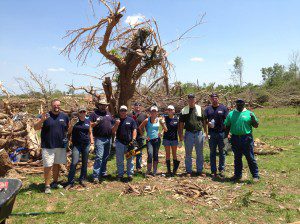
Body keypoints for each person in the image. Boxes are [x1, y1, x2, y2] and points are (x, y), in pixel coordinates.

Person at [34, 99, 69, 194]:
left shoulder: (65, 116)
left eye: (58, 105)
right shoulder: (45, 116)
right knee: (48, 166)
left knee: (57, 164)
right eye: (54, 105)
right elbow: (35, 127)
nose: (56, 107)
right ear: (51, 106)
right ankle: (47, 186)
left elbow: (67, 130)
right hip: (48, 145)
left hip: (60, 145)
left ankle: (55, 182)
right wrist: (42, 120)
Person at [224, 99, 260, 182]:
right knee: (237, 158)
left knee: (250, 157)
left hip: (246, 138)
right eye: (238, 103)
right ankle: (237, 175)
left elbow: (256, 125)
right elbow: (227, 126)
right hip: (235, 138)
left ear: (244, 104)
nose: (240, 105)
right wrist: (226, 138)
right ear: (236, 104)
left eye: (241, 103)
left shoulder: (249, 113)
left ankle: (255, 175)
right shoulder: (231, 114)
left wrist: (253, 119)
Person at [178, 94, 207, 177]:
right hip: (189, 133)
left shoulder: (199, 109)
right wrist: (180, 135)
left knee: (199, 153)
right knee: (188, 153)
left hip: (199, 133)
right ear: (188, 100)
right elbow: (181, 123)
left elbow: (204, 121)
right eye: (190, 99)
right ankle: (189, 171)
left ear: (195, 100)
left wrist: (205, 132)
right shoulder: (184, 110)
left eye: (193, 99)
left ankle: (199, 171)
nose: (191, 100)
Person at [65, 106, 94, 189]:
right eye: (80, 112)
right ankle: (70, 182)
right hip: (76, 145)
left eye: (84, 112)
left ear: (86, 112)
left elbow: (90, 132)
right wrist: (72, 125)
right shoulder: (74, 121)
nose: (82, 113)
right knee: (74, 162)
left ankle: (82, 180)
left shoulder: (88, 121)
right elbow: (69, 132)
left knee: (85, 163)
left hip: (86, 144)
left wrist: (92, 143)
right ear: (78, 113)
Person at [89, 99, 115, 183]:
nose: (103, 106)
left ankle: (103, 172)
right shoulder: (94, 114)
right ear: (98, 105)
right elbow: (89, 125)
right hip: (99, 138)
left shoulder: (108, 113)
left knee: (106, 157)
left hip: (109, 138)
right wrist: (96, 122)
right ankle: (95, 175)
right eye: (102, 105)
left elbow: (112, 124)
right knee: (99, 157)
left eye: (105, 105)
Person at [204, 93, 229, 178]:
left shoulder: (223, 108)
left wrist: (227, 133)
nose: (214, 99)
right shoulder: (208, 109)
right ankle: (213, 171)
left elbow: (227, 121)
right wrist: (208, 124)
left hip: (222, 133)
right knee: (212, 152)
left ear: (218, 99)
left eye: (216, 98)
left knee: (222, 152)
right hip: (212, 133)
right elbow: (204, 120)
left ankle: (221, 169)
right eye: (213, 98)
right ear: (210, 99)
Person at [139, 106, 167, 176]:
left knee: (155, 155)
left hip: (157, 139)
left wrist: (161, 132)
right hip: (149, 140)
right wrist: (144, 136)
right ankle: (148, 170)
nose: (153, 112)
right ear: (150, 112)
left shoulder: (159, 120)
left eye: (155, 111)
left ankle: (154, 170)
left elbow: (165, 129)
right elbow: (140, 127)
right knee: (150, 154)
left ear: (157, 112)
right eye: (152, 111)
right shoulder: (147, 120)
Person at [113, 105, 137, 181]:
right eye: (121, 110)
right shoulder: (116, 120)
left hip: (130, 143)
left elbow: (134, 130)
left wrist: (133, 139)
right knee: (120, 160)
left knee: (130, 159)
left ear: (127, 111)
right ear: (119, 111)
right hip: (119, 142)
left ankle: (130, 174)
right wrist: (117, 124)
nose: (123, 112)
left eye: (124, 110)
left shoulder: (131, 120)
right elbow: (113, 131)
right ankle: (120, 174)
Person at [161, 105, 180, 176]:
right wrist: (162, 123)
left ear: (174, 111)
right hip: (166, 139)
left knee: (174, 154)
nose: (170, 111)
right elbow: (165, 129)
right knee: (168, 154)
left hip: (174, 139)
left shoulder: (176, 119)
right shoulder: (165, 118)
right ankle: (169, 170)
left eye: (171, 109)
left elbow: (179, 130)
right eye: (168, 109)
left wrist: (181, 139)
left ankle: (174, 170)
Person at [128, 102, 147, 173]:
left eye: (139, 105)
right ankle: (130, 168)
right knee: (131, 151)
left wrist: (146, 135)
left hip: (140, 136)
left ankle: (138, 168)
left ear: (141, 107)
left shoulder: (144, 115)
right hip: (131, 136)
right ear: (133, 106)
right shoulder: (129, 115)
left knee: (139, 151)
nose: (138, 106)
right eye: (136, 105)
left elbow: (146, 125)